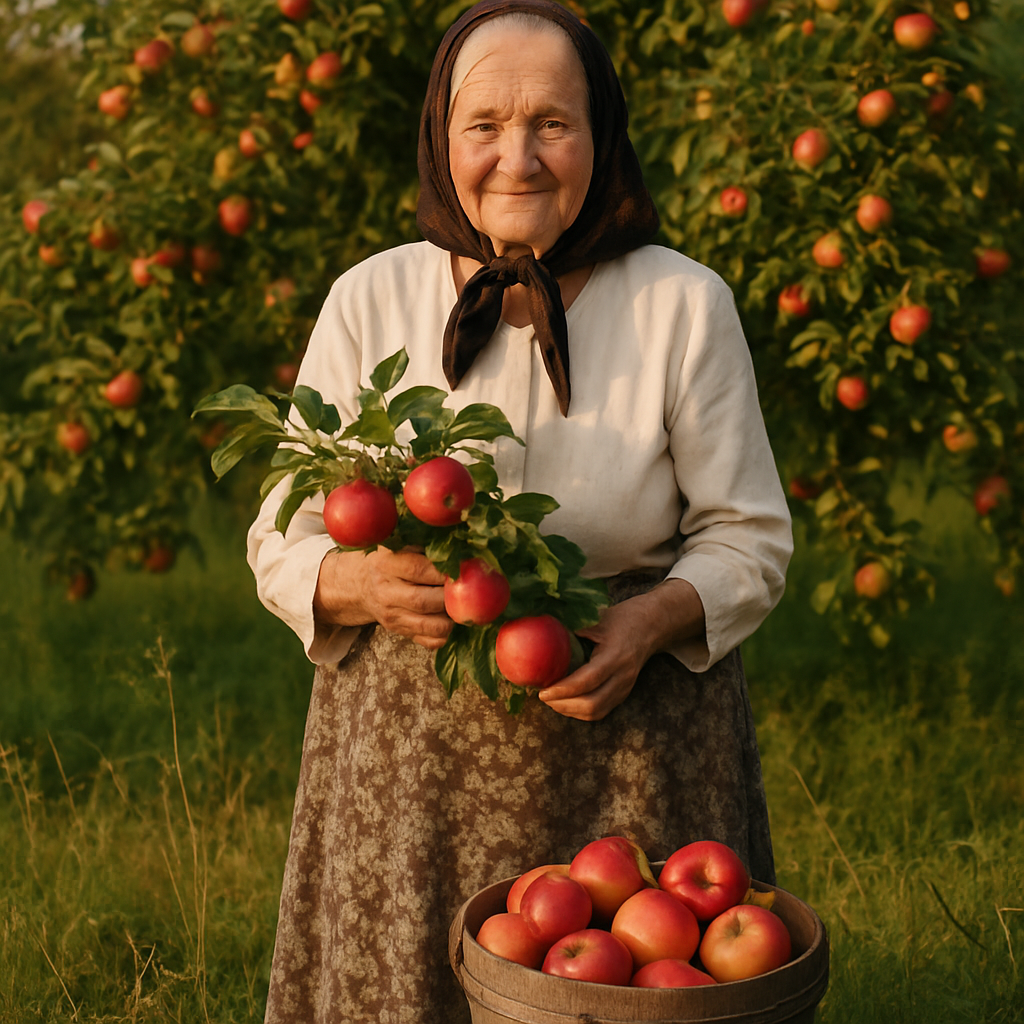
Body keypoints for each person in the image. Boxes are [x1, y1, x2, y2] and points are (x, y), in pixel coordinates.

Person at [247, 1, 793, 1020]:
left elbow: (748, 536)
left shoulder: (682, 304)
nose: (518, 157)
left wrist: (649, 620)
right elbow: (282, 531)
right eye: (483, 125)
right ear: (440, 138)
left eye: (553, 123)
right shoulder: (369, 298)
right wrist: (354, 577)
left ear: (603, 136)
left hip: (631, 745)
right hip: (412, 767)